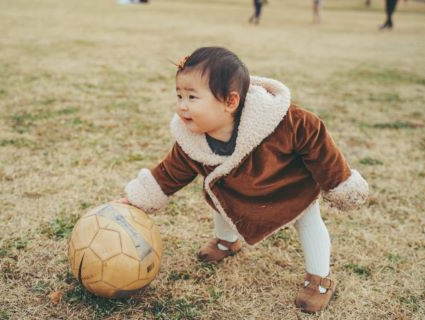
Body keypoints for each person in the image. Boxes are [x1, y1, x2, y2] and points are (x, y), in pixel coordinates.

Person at [117, 47, 369, 313]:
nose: (181, 105)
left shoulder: (284, 122)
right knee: (222, 201)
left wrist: (339, 182)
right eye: (179, 95)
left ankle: (319, 278)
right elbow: (169, 173)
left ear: (230, 102)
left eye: (192, 97)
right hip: (237, 191)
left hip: (291, 187)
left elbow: (315, 139)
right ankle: (227, 241)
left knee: (309, 222)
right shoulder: (192, 140)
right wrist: (137, 200)